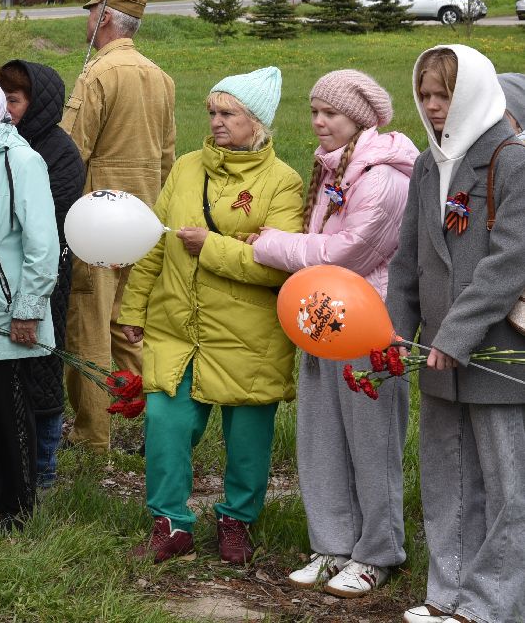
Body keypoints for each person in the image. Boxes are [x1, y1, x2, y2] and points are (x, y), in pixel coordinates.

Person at [117, 67, 304, 566]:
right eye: (213, 112)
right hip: (178, 327)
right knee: (165, 424)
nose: (217, 122)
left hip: (250, 336)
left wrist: (211, 247)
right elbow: (156, 242)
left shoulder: (283, 182)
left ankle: (236, 522)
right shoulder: (185, 168)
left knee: (248, 440)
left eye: (229, 113)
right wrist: (134, 307)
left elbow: (278, 266)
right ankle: (171, 524)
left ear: (257, 122)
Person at [248, 70, 417, 598]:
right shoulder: (332, 169)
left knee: (372, 443)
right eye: (315, 110)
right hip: (324, 317)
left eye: (331, 113)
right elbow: (322, 241)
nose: (319, 122)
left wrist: (270, 244)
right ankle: (333, 544)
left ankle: (377, 552)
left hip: (368, 325)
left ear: (359, 119)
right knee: (321, 438)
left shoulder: (386, 177)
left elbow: (348, 253)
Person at [386, 46, 525, 623]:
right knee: (448, 478)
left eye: (444, 95)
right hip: (438, 356)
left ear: (471, 92)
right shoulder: (427, 162)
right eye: (425, 96)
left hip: (497, 353)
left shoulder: (512, 160)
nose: (434, 107)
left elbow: (510, 260)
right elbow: (408, 259)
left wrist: (455, 335)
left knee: (508, 489)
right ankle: (449, 595)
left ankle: (494, 603)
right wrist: (395, 332)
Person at [62, 0, 176, 452]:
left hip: (98, 223)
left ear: (105, 19)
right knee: (129, 327)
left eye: (92, 13)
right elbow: (168, 155)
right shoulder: (161, 76)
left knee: (88, 326)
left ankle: (92, 438)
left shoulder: (98, 75)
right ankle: (160, 426)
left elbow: (71, 153)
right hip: (143, 218)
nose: (87, 22)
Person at [0, 77, 59, 529]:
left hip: (6, 309)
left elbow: (42, 242)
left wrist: (27, 307)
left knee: (10, 410)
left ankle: (19, 506)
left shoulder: (18, 158)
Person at [0, 59, 85, 489]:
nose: (6, 108)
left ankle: (44, 468)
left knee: (43, 369)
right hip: (1, 278)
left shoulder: (59, 153)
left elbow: (52, 223)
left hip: (46, 274)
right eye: (3, 98)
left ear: (38, 104)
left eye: (14, 100)